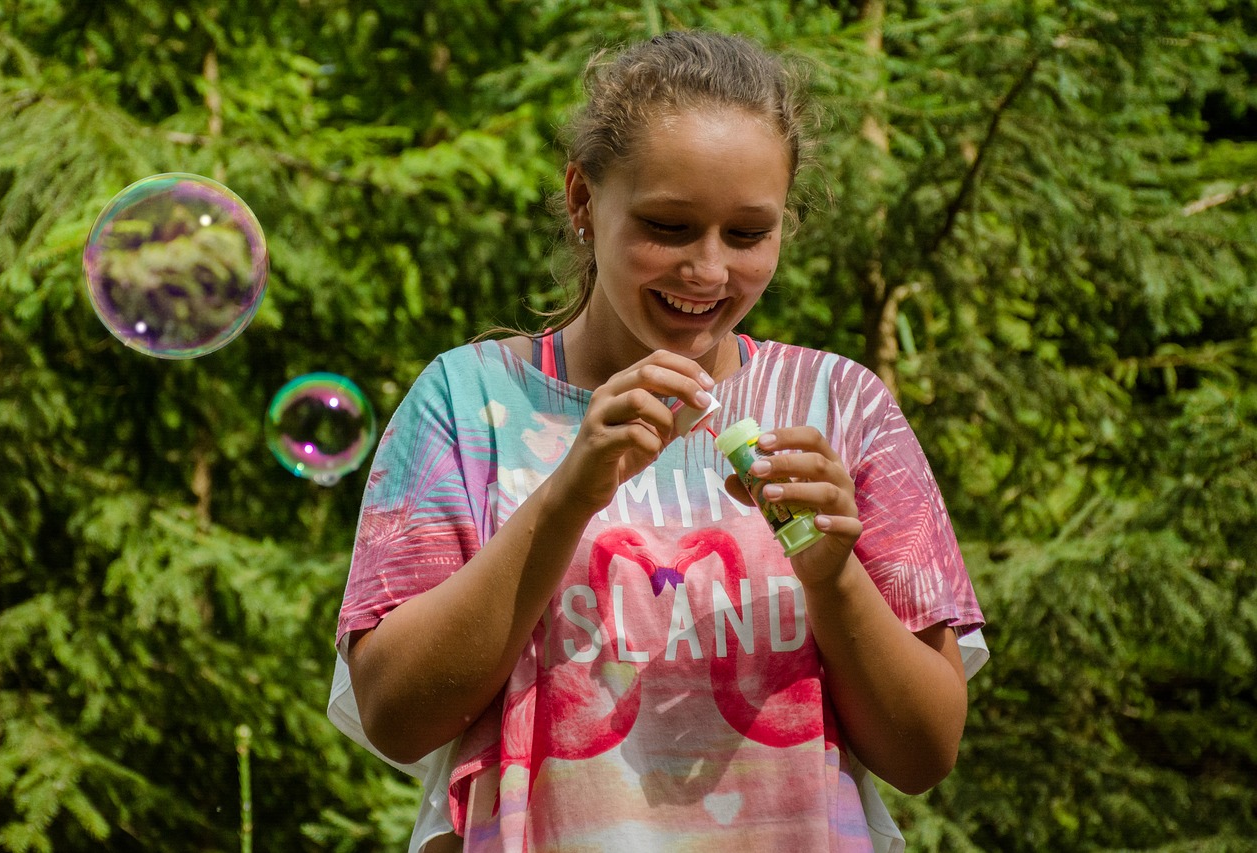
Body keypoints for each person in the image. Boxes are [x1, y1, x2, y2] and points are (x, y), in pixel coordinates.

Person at [327, 29, 986, 852]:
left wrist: (834, 574)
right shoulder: (467, 402)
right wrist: (571, 490)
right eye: (668, 226)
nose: (708, 270)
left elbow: (925, 751)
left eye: (748, 235)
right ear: (581, 200)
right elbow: (396, 713)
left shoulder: (841, 405)